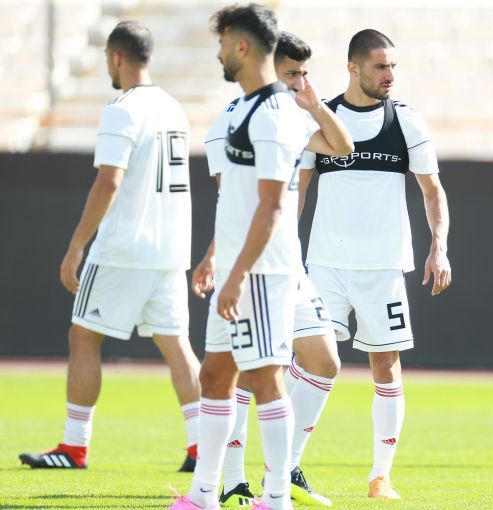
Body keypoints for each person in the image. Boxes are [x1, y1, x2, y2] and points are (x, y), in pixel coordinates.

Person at [170, 6, 350, 510]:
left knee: (266, 379)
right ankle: (203, 494)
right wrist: (215, 257)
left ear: (243, 46)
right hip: (237, 267)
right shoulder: (247, 110)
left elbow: (272, 205)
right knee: (215, 376)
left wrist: (239, 275)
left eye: (223, 43)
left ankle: (275, 497)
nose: (219, 53)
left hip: (262, 273)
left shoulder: (273, 115)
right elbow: (238, 198)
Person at [18, 20, 201, 472]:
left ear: (116, 57)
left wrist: (76, 245)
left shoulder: (122, 108)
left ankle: (74, 447)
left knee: (83, 336)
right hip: (169, 248)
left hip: (124, 248)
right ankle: (202, 447)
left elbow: (109, 181)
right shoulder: (173, 107)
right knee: (177, 344)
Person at [299, 29, 451, 500]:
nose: (389, 75)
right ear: (353, 67)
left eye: (392, 67)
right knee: (308, 360)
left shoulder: (406, 121)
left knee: (386, 366)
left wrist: (439, 246)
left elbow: (432, 191)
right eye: (380, 66)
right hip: (325, 265)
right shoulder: (323, 118)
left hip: (384, 268)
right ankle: (286, 466)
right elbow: (297, 191)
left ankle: (380, 476)